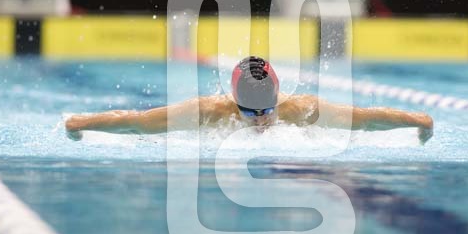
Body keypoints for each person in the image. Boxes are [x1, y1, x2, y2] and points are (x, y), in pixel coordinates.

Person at [65, 56, 434, 144]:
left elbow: (365, 119)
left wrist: (416, 120)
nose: (260, 120)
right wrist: (81, 123)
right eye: (250, 112)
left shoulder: (301, 109)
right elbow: (137, 122)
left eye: (266, 111)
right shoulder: (207, 112)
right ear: (234, 102)